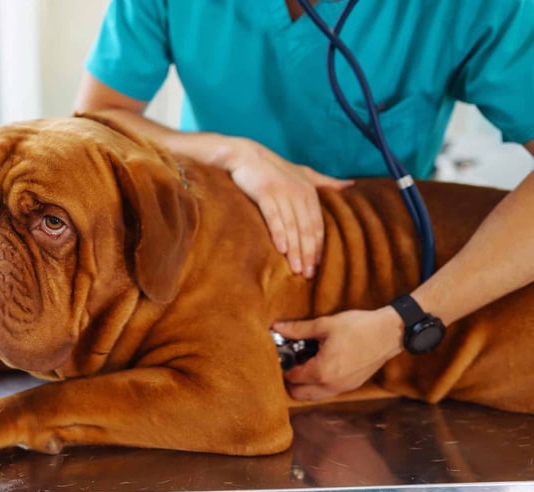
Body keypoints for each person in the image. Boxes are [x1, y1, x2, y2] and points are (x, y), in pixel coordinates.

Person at [73, 0, 534, 400]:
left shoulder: (478, 9)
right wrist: (234, 153)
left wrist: (404, 323)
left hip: (378, 284)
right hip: (211, 266)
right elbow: (99, 114)